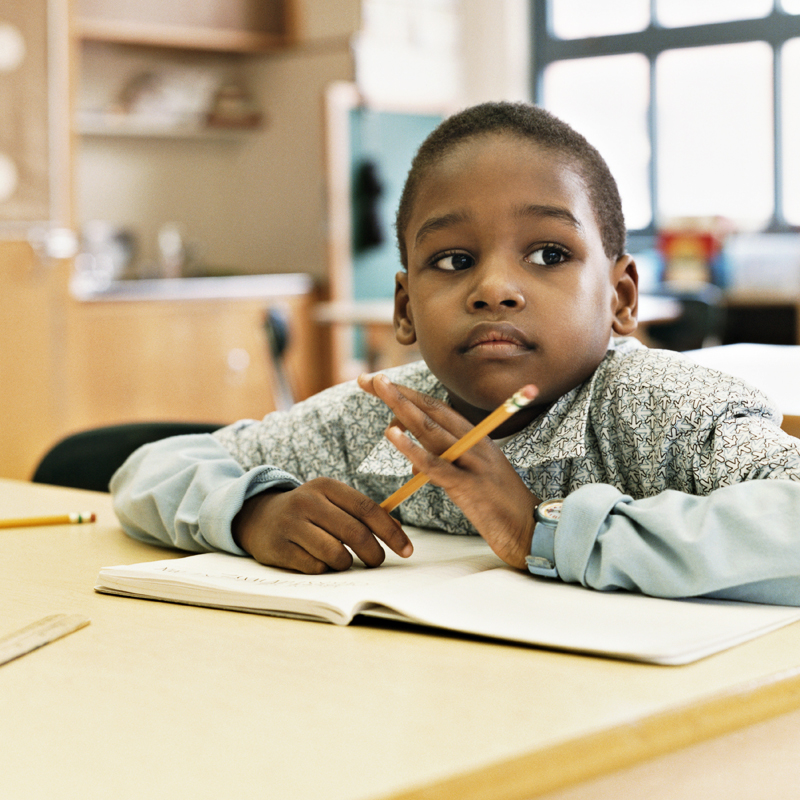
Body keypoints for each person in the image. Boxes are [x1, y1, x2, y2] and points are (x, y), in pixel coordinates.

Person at [111, 101, 800, 604]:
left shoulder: (660, 409)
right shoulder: (382, 422)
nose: (494, 287)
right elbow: (151, 470)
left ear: (620, 297)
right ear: (406, 309)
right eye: (454, 259)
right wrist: (253, 513)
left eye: (549, 253)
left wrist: (539, 531)